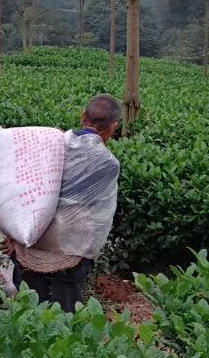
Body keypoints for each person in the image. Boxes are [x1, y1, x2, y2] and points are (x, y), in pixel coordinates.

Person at [7, 93, 123, 312]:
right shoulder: (108, 164)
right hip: (70, 250)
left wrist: (11, 233)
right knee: (65, 314)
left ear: (82, 116)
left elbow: (20, 190)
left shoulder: (50, 144)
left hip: (31, 238)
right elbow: (97, 216)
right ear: (113, 127)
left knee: (28, 307)